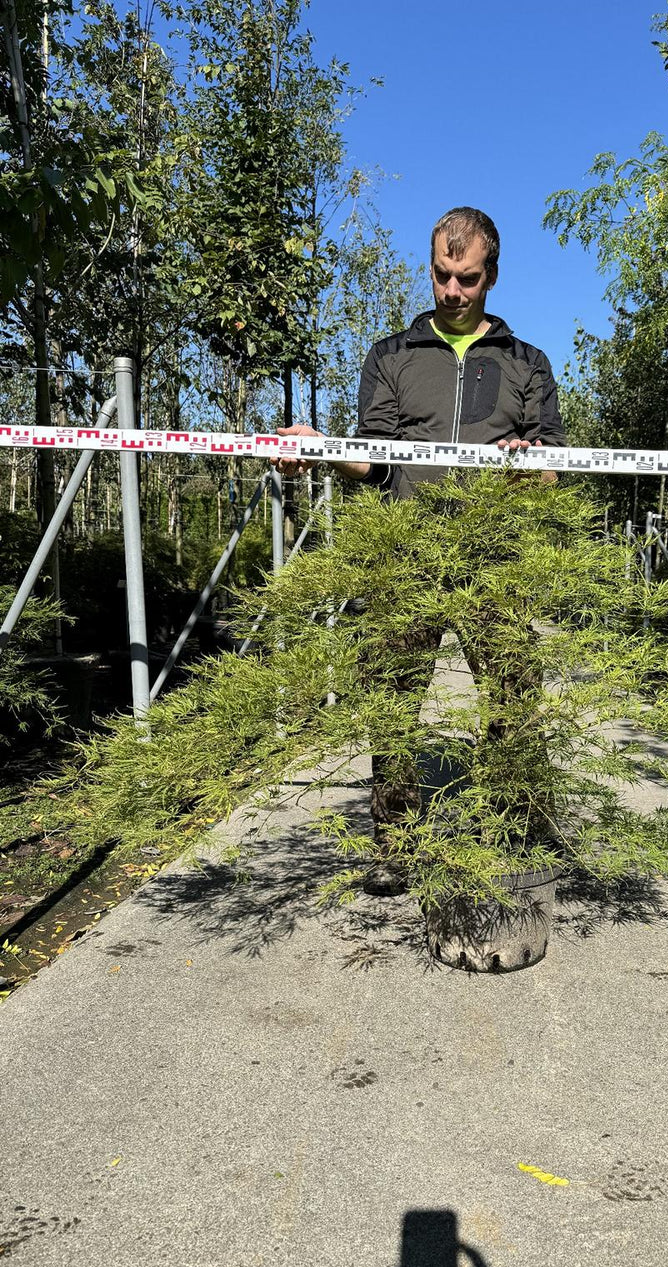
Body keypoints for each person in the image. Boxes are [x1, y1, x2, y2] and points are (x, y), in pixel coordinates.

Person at [276, 206, 567, 891]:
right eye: (441, 275)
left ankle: (513, 827)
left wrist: (532, 466)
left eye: (466, 279)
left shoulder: (528, 363)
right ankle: (395, 844)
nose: (451, 292)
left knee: (514, 697)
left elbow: (556, 466)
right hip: (403, 555)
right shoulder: (392, 355)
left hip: (492, 561)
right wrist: (322, 451)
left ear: (491, 274)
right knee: (391, 702)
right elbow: (372, 461)